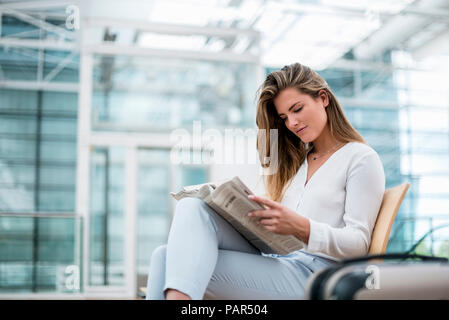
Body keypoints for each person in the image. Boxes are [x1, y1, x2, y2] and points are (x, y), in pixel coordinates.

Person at [146, 62, 385, 300]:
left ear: (323, 98)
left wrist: (301, 227)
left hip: (315, 276)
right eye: (284, 117)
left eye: (297, 109)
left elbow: (359, 243)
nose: (292, 123)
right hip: (279, 261)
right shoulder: (297, 165)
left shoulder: (360, 158)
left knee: (173, 261)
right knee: (186, 217)